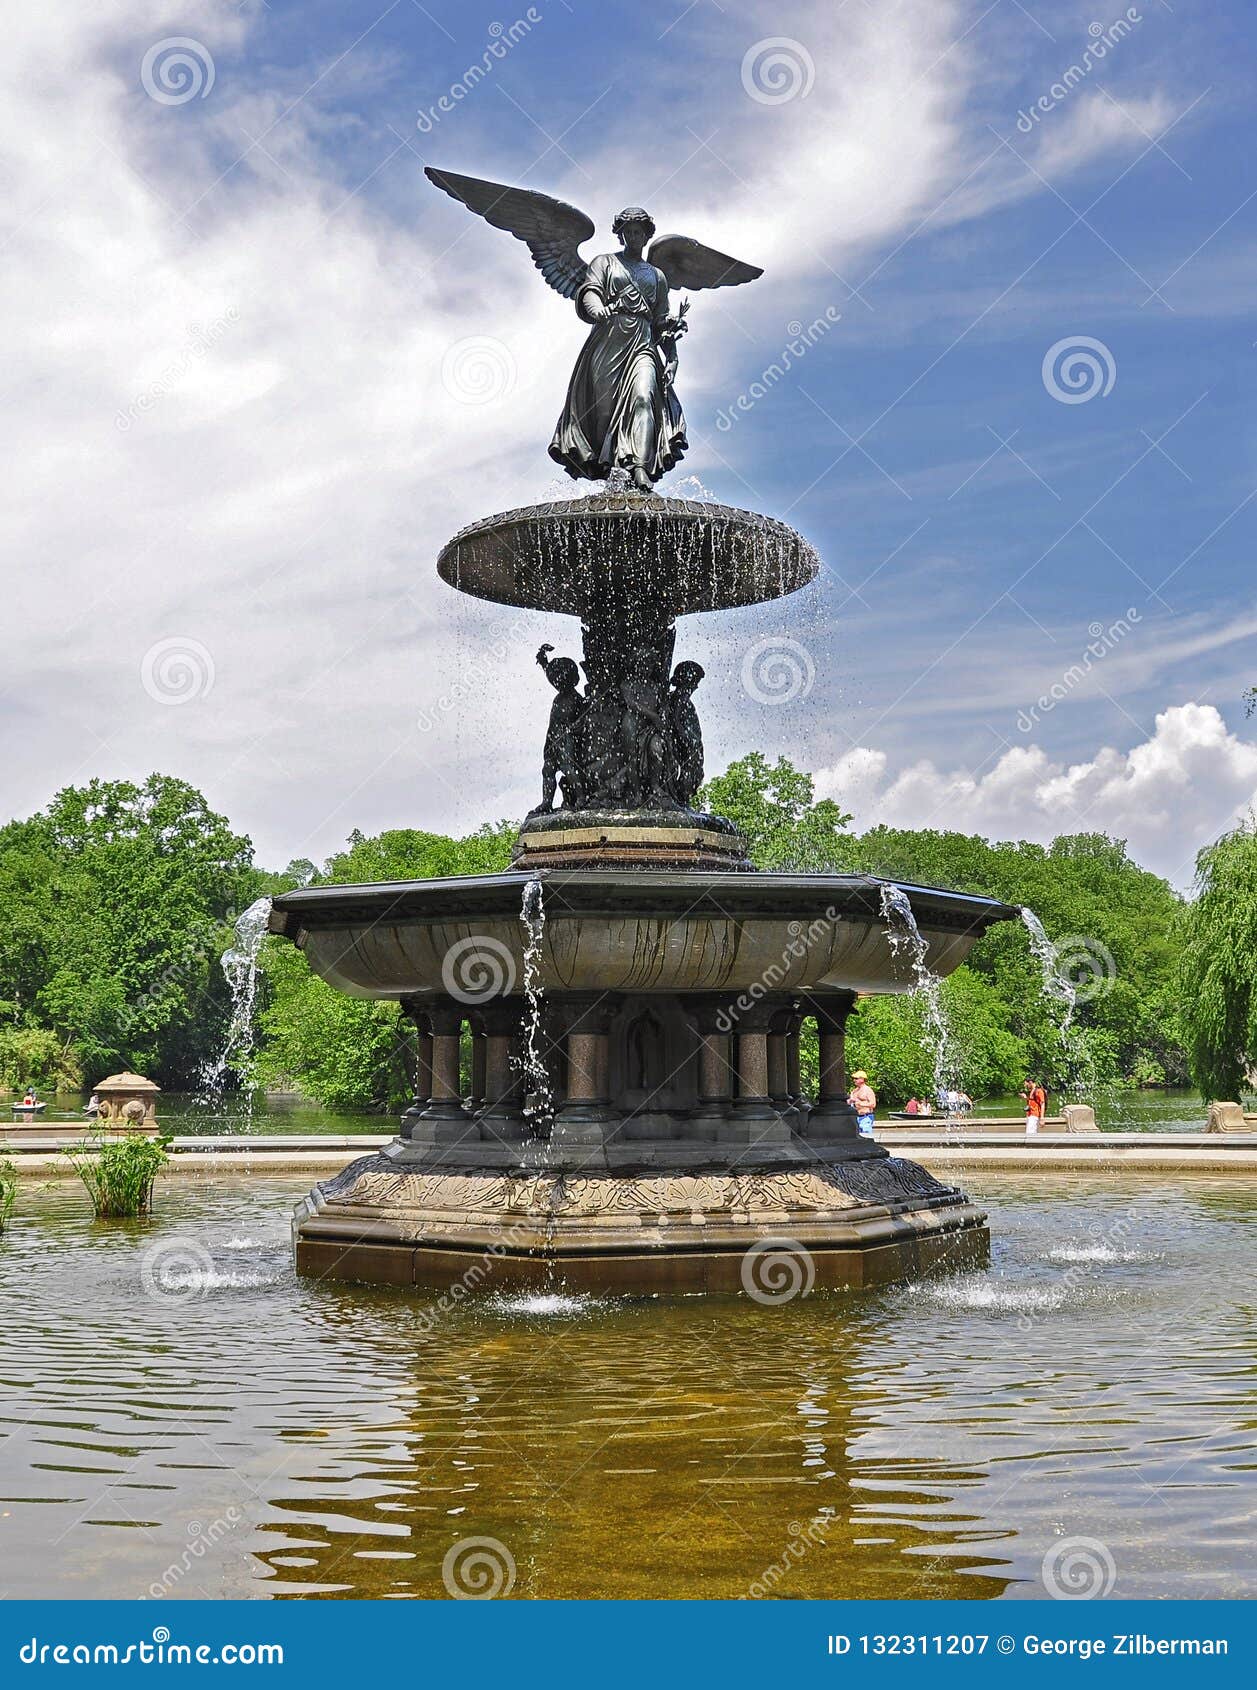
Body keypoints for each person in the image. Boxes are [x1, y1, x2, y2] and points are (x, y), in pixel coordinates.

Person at [848, 1070, 877, 1139]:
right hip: (855, 1118)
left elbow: (873, 1104)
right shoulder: (854, 1091)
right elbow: (850, 1102)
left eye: (856, 1078)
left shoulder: (868, 1090)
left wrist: (861, 1104)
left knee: (866, 1137)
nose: (854, 1080)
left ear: (862, 1079)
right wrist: (849, 1101)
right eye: (854, 1078)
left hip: (866, 1117)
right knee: (856, 1138)